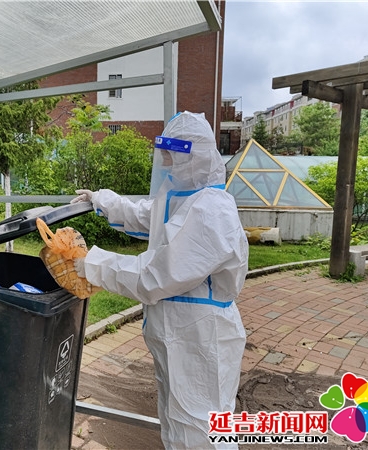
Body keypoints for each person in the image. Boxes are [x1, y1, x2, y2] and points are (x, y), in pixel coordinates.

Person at [71, 111, 248, 449]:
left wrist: (90, 263)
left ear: (193, 156)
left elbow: (154, 276)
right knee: (178, 421)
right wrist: (101, 199)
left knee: (201, 429)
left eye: (172, 155)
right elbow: (147, 216)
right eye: (164, 154)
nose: (166, 163)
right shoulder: (187, 197)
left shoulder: (212, 212)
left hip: (200, 337)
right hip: (180, 333)